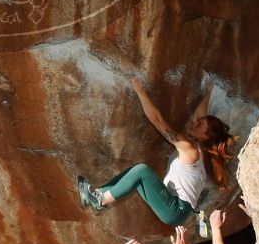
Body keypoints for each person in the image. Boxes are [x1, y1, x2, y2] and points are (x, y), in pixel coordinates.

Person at [78, 78, 237, 226]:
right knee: (132, 174)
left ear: (206, 136)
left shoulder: (190, 148)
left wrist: (139, 90)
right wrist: (208, 92)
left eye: (199, 125)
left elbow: (158, 121)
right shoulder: (205, 150)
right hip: (175, 207)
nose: (195, 122)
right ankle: (97, 196)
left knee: (141, 170)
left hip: (175, 209)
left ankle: (100, 200)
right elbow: (199, 116)